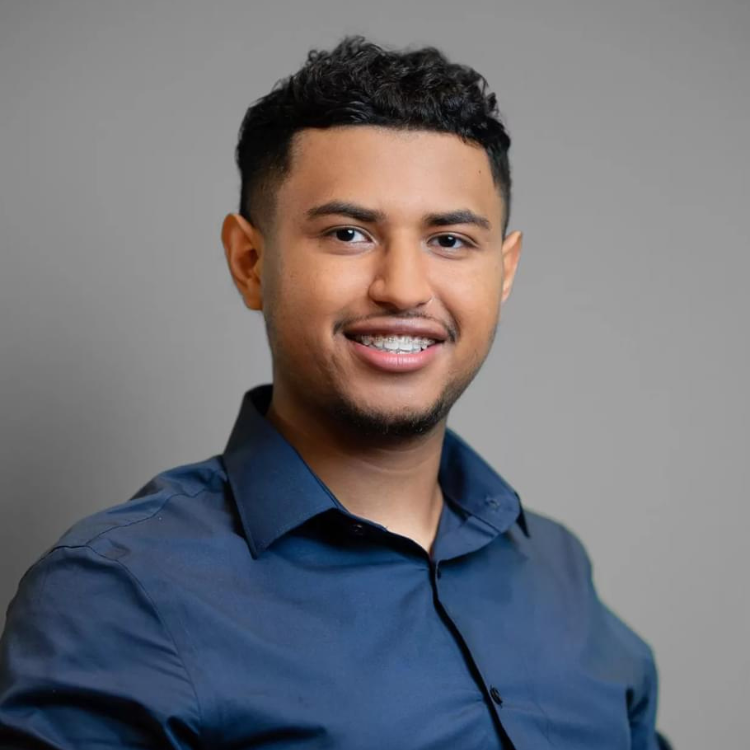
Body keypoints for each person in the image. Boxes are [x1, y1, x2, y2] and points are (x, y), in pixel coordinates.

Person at [0, 35, 671, 749]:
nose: (405, 289)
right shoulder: (117, 595)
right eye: (349, 234)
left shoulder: (559, 570)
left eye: (449, 241)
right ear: (250, 261)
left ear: (503, 272)